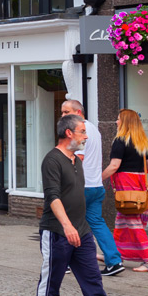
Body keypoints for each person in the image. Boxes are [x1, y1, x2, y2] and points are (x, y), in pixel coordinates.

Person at [33, 114, 134, 296]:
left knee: (93, 281)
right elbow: (52, 197)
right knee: (52, 281)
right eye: (82, 131)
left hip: (82, 231)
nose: (86, 136)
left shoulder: (76, 161)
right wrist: (67, 226)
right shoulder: (52, 160)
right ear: (69, 133)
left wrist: (79, 227)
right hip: (57, 231)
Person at [60, 100, 124, 276]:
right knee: (97, 223)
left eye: (66, 112)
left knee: (65, 222)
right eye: (62, 112)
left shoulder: (78, 131)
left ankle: (64, 262)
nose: (63, 115)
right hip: (95, 185)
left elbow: (77, 158)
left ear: (78, 112)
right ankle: (114, 260)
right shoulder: (94, 129)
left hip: (81, 187)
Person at [102, 109, 148, 273]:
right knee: (121, 224)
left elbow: (114, 166)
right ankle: (115, 255)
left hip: (127, 188)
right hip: (139, 187)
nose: (116, 122)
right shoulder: (142, 142)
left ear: (125, 122)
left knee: (133, 225)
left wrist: (97, 179)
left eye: (118, 119)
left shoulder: (120, 140)